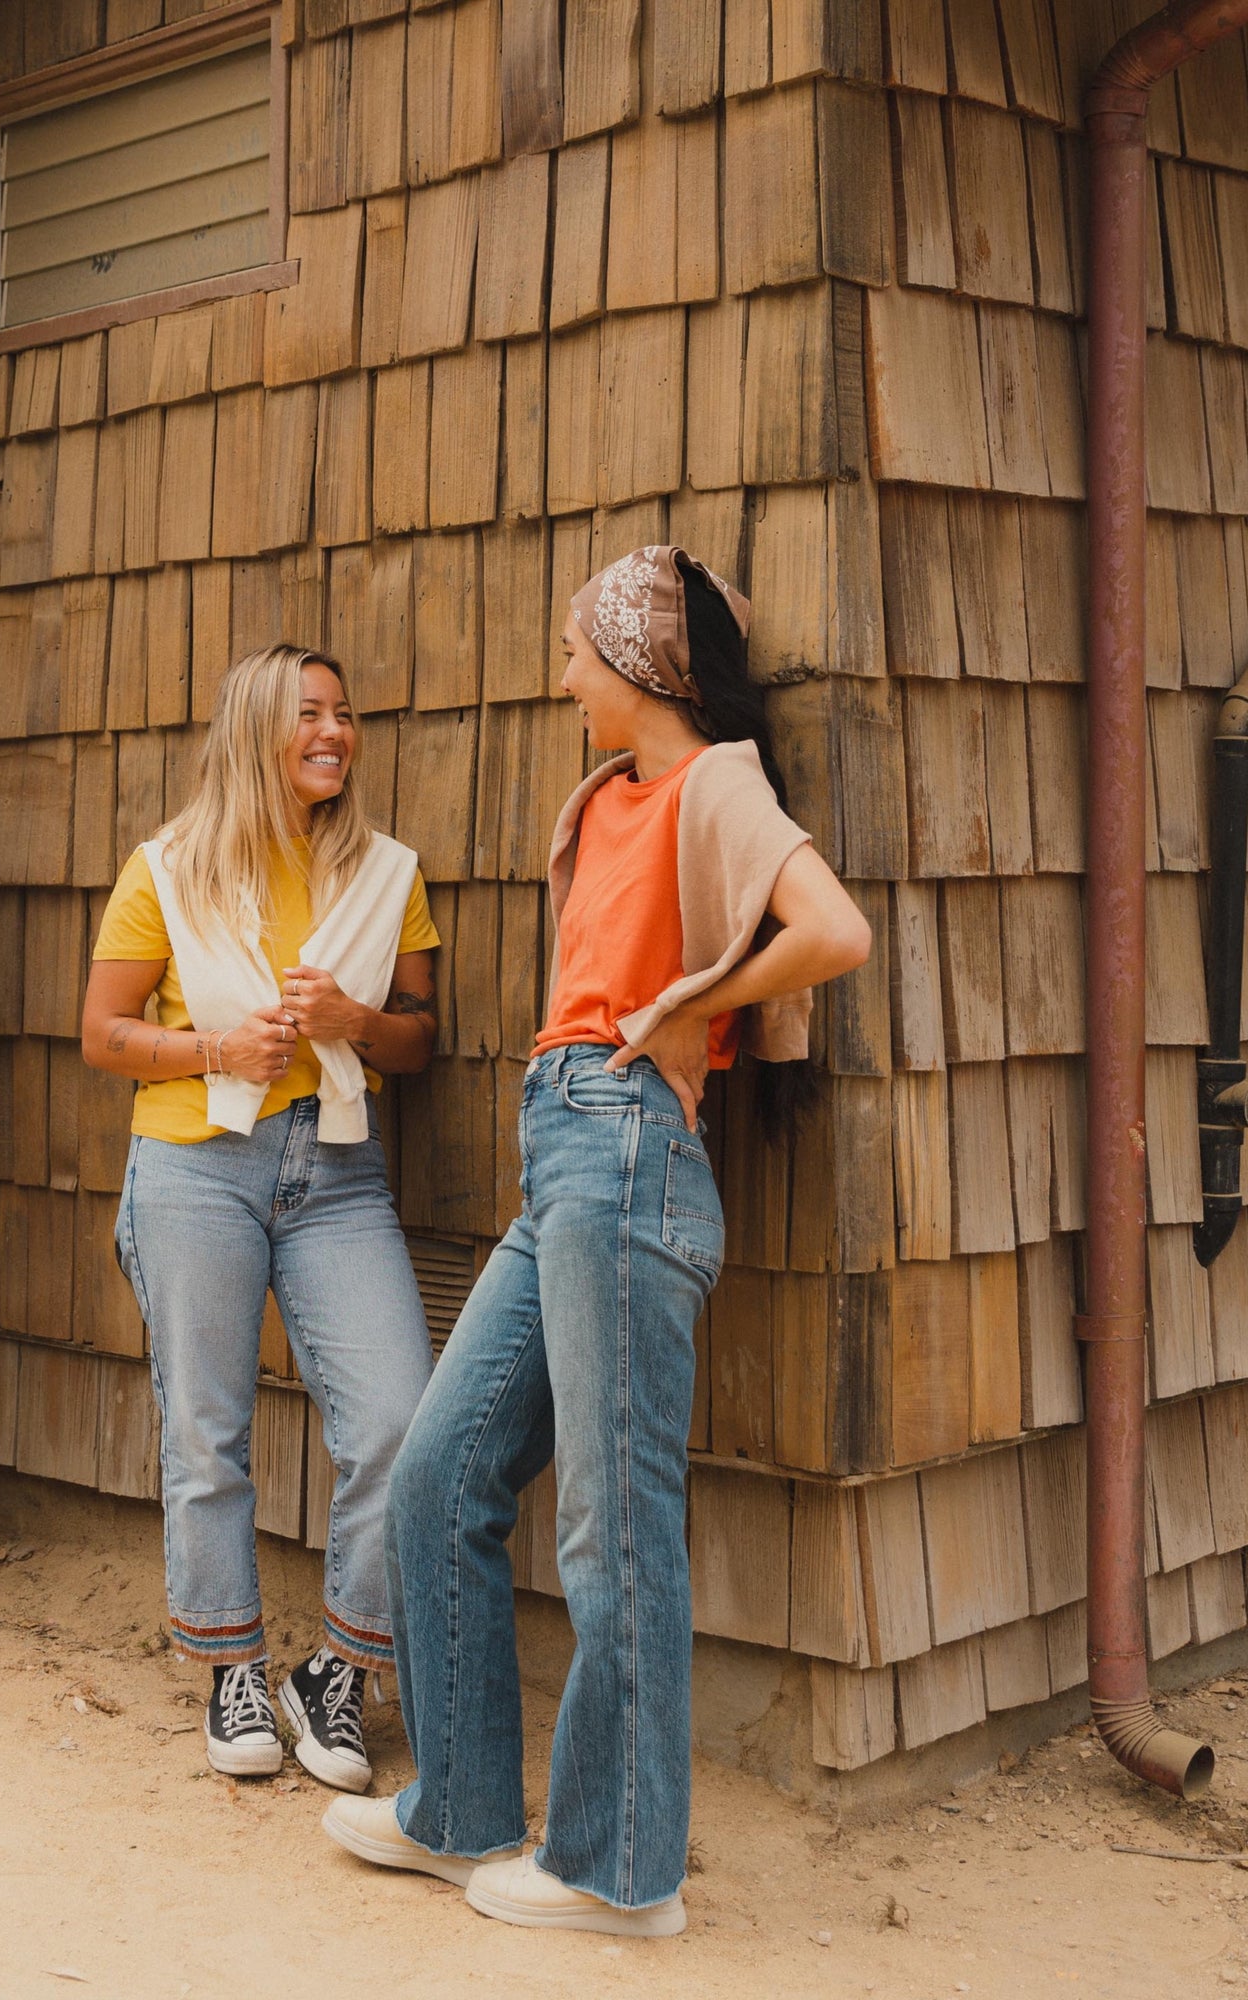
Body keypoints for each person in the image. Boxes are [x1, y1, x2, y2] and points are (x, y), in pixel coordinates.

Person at [322, 548, 872, 1927]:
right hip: (565, 1153)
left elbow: (835, 930)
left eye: (579, 650)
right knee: (441, 1475)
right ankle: (461, 1811)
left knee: (613, 1533)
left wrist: (697, 996)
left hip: (627, 1149)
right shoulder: (611, 799)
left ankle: (622, 1873)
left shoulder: (716, 780)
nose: (563, 674)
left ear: (641, 664)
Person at [80, 645, 440, 1792]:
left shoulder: (385, 873)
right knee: (206, 1426)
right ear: (253, 732)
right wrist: (215, 1049)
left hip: (333, 1169)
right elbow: (101, 1031)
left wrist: (353, 1016)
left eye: (343, 712)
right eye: (306, 715)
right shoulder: (168, 869)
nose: (333, 731)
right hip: (195, 1163)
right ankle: (230, 1662)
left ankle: (334, 1671)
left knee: (398, 1418)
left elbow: (420, 1038)